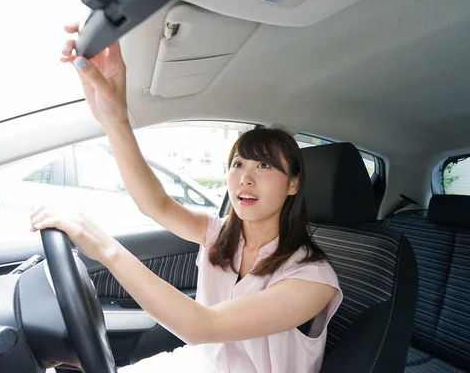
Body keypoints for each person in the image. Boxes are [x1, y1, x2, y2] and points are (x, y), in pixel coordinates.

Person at [30, 23, 343, 373]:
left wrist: (105, 248)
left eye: (265, 165)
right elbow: (155, 204)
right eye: (238, 163)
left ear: (293, 185)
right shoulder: (219, 235)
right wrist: (115, 120)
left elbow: (202, 326)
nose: (245, 177)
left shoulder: (314, 279)